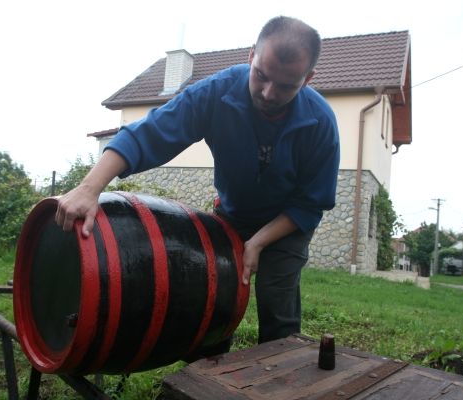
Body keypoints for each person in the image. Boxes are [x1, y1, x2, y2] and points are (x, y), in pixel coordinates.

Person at [55, 16, 340, 347]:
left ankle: (283, 373)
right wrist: (90, 188)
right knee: (214, 300)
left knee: (277, 302)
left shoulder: (320, 123)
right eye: (261, 75)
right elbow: (150, 133)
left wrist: (259, 242)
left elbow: (311, 202)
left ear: (308, 79)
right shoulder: (216, 93)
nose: (268, 92)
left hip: (287, 225)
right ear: (251, 56)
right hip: (232, 215)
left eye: (286, 85)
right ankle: (206, 375)